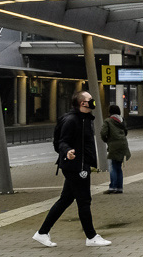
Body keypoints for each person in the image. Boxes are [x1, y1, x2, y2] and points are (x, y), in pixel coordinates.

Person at [33, 91, 111, 247]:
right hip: (76, 167)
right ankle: (91, 237)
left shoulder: (84, 119)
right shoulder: (72, 120)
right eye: (90, 100)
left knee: (66, 199)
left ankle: (42, 232)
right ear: (83, 103)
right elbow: (62, 141)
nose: (93, 102)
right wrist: (68, 151)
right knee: (84, 201)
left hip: (79, 165)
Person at [100, 106, 130, 194]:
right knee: (118, 167)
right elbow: (126, 132)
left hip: (113, 145)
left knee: (113, 167)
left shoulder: (108, 121)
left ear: (110, 112)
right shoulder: (122, 120)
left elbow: (103, 133)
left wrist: (106, 140)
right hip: (123, 144)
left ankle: (112, 187)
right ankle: (119, 188)